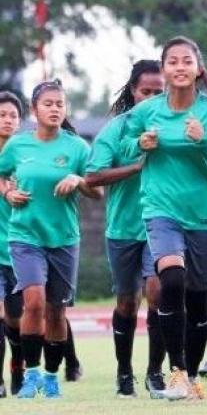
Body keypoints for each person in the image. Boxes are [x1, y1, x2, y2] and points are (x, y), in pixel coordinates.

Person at [121, 36, 207, 400]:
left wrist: (205, 140)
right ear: (163, 70)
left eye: (186, 61)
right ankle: (175, 372)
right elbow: (122, 147)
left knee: (197, 298)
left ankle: (191, 376)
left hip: (205, 215)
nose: (179, 67)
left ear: (198, 69)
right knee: (170, 280)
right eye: (172, 61)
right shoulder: (145, 112)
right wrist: (138, 145)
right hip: (160, 209)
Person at [0, 80, 102, 398]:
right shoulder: (17, 146)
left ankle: (51, 375)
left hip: (63, 239)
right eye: (48, 104)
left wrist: (78, 180)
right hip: (25, 236)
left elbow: (97, 192)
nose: (55, 108)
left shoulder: (77, 148)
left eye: (60, 104)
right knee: (34, 302)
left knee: (56, 311)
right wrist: (8, 191)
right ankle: (30, 376)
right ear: (35, 110)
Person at [85, 59, 167, 398]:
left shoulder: (174, 126)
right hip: (122, 228)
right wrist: (135, 167)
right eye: (145, 91)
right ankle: (123, 373)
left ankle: (155, 373)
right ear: (133, 91)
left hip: (161, 226)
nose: (151, 97)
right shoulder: (116, 129)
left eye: (158, 92)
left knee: (159, 294)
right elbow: (92, 176)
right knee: (126, 303)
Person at [0, 91, 24, 397]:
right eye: (2, 115)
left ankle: (19, 369)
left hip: (20, 247)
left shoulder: (26, 156)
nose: (7, 120)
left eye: (12, 116)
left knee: (16, 320)